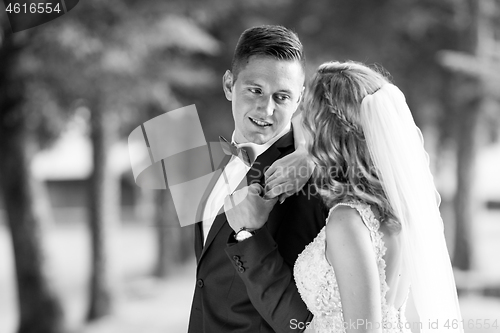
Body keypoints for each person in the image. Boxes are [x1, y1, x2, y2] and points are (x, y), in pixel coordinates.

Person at [292, 61, 463, 332]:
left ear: (325, 132)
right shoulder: (395, 210)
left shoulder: (348, 220)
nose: (298, 122)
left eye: (305, 114)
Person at [187, 25, 327, 333]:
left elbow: (306, 316)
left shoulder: (310, 179)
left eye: (282, 96)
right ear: (228, 85)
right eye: (255, 90)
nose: (267, 108)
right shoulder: (220, 162)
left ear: (300, 99)